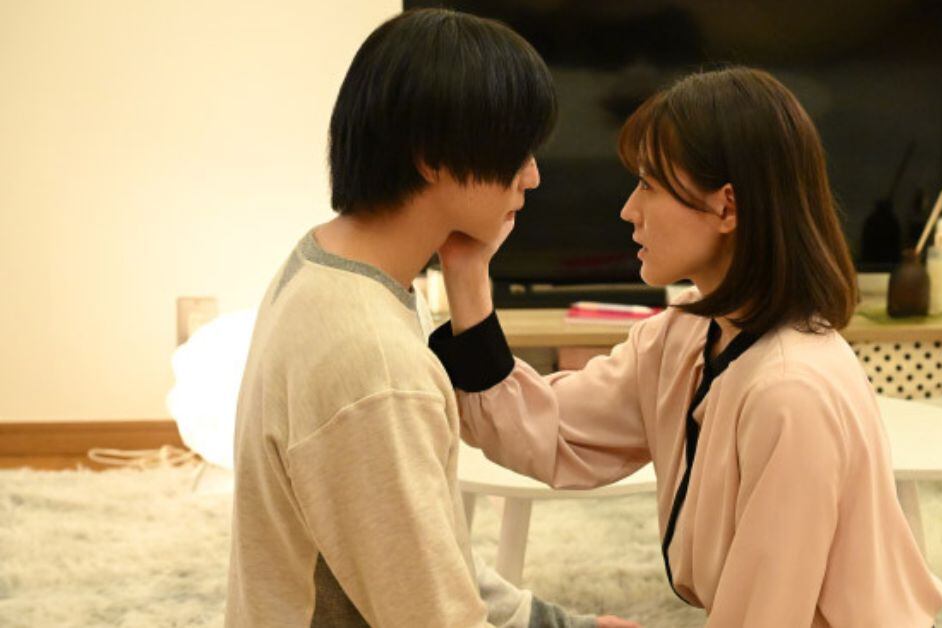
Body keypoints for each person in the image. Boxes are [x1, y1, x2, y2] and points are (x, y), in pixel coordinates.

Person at [430, 67, 942, 626]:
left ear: (727, 207)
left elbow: (766, 617)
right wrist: (467, 273)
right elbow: (547, 430)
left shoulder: (790, 394)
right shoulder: (688, 332)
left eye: (649, 186)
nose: (629, 210)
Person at [226, 9, 635, 627]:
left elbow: (425, 551)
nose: (532, 175)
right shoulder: (373, 363)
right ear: (431, 157)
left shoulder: (324, 264)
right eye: (517, 150)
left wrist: (549, 622)